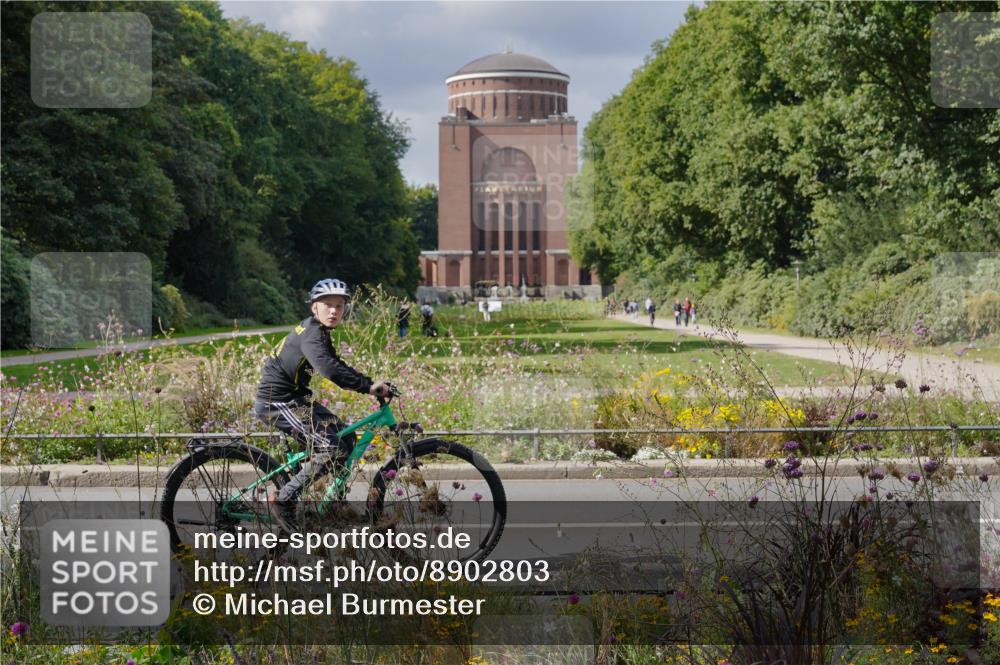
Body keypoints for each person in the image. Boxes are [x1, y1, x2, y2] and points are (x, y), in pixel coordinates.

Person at [255, 278, 392, 526]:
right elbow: (329, 369)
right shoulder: (312, 334)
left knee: (346, 437)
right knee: (332, 448)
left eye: (339, 306)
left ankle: (333, 503)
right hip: (277, 402)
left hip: (296, 398)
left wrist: (369, 382)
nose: (333, 311)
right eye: (327, 305)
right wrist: (368, 387)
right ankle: (283, 500)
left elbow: (336, 364)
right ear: (313, 308)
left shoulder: (318, 332)